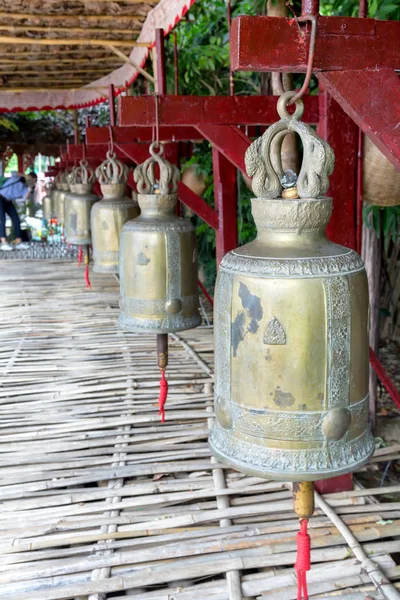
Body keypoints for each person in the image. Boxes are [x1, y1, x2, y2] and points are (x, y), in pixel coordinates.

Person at [0, 172, 31, 251]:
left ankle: (18, 241)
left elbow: (25, 198)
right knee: (2, 220)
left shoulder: (25, 187)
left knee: (16, 219)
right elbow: (13, 173)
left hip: (8, 201)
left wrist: (30, 188)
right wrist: (25, 175)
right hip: (1, 197)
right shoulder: (16, 179)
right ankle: (3, 243)